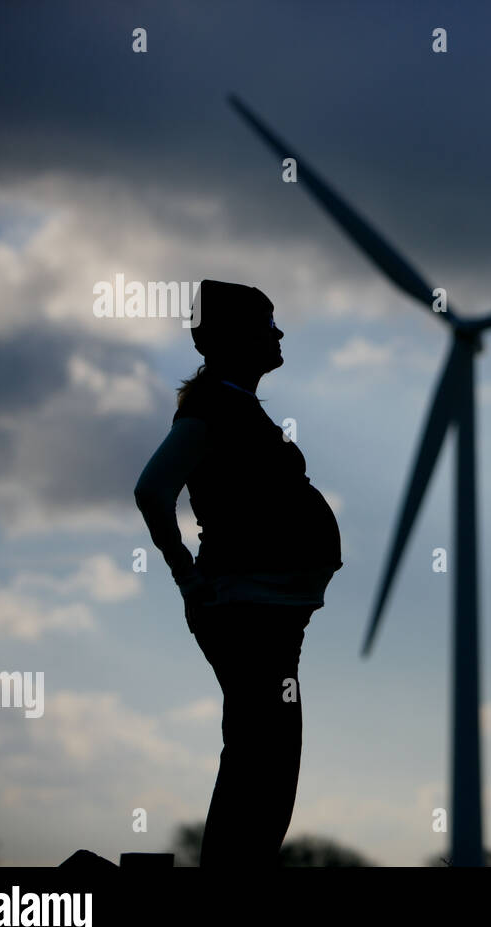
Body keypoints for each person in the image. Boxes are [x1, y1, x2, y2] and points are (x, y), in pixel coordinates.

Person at [134, 279, 342, 867]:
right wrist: (186, 577)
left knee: (265, 754)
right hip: (248, 610)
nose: (278, 334)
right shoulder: (213, 407)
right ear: (231, 338)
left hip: (270, 613)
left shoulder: (231, 403)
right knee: (263, 756)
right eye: (265, 324)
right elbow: (152, 490)